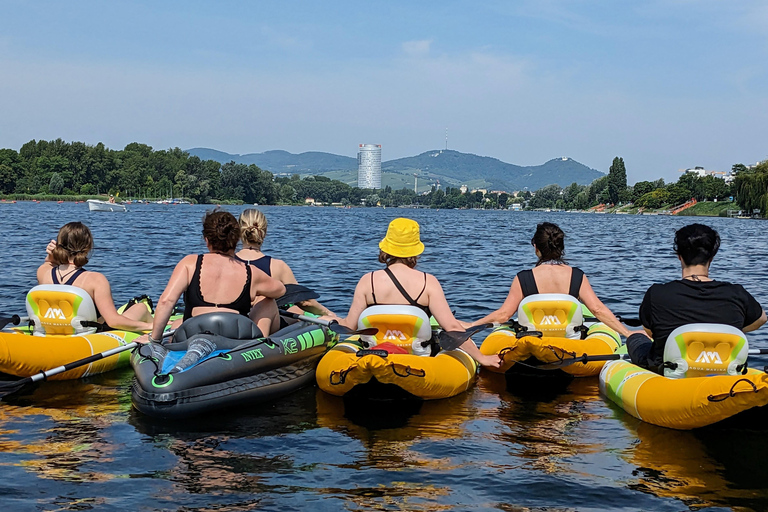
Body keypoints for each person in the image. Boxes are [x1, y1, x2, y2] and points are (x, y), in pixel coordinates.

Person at [334, 217, 501, 368]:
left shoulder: (367, 281)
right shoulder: (428, 282)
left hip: (374, 356)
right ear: (415, 251)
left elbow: (349, 326)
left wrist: (330, 318)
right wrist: (482, 358)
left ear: (386, 247)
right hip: (417, 360)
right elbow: (451, 327)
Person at [627, 223, 766, 372]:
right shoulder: (737, 293)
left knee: (636, 337)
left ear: (679, 256)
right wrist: (728, 329)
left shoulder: (656, 293)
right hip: (723, 369)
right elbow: (761, 319)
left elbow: (649, 332)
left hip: (667, 370)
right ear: (712, 257)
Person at [461, 222, 637, 338]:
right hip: (570, 344)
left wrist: (471, 324)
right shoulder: (577, 276)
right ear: (561, 248)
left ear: (536, 248)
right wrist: (627, 333)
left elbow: (504, 315)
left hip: (534, 344)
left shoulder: (523, 278)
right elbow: (597, 309)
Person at [145, 209, 286, 344]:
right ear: (237, 240)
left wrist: (155, 339)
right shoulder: (251, 272)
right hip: (234, 340)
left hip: (193, 335)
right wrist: (256, 295)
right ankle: (259, 349)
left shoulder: (189, 263)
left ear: (206, 240)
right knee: (268, 300)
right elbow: (281, 290)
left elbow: (166, 301)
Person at [36, 221, 154, 332]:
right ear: (87, 247)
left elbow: (48, 263)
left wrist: (51, 256)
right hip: (92, 334)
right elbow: (113, 321)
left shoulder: (44, 273)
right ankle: (157, 337)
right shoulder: (95, 280)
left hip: (57, 330)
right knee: (141, 307)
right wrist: (149, 326)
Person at [236, 209, 335, 317]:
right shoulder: (278, 266)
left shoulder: (227, 263)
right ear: (264, 231)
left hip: (234, 322)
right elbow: (305, 302)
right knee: (297, 310)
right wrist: (328, 313)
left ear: (239, 231)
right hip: (266, 325)